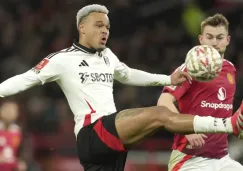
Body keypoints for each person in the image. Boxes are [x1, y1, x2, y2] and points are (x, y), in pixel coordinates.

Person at [0, 5, 242, 171]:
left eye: (106, 27)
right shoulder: (62, 59)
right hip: (92, 132)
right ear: (82, 28)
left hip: (111, 144)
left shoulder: (107, 56)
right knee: (159, 115)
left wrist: (167, 79)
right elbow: (25, 78)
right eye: (98, 26)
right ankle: (227, 125)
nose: (105, 31)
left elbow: (128, 74)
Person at [157, 14, 243, 171]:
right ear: (201, 40)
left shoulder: (230, 68)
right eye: (210, 37)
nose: (215, 43)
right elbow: (163, 102)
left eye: (220, 37)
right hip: (190, 158)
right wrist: (187, 129)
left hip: (222, 158)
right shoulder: (190, 68)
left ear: (228, 40)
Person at [0, 101, 22, 171]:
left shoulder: (16, 130)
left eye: (13, 111)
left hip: (10, 167)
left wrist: (19, 163)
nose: (10, 114)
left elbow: (17, 151)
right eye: (8, 111)